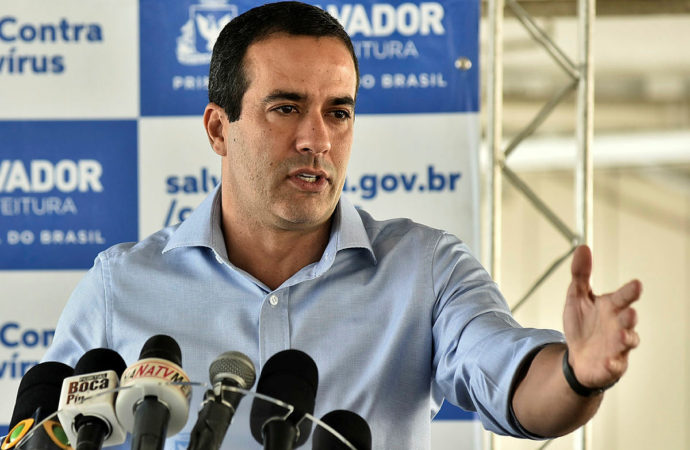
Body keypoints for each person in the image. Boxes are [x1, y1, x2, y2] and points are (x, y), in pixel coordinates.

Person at [42, 2, 641, 449]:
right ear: (219, 129)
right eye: (286, 108)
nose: (317, 139)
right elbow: (43, 433)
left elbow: (508, 376)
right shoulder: (120, 286)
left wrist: (575, 373)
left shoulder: (426, 269)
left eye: (339, 112)